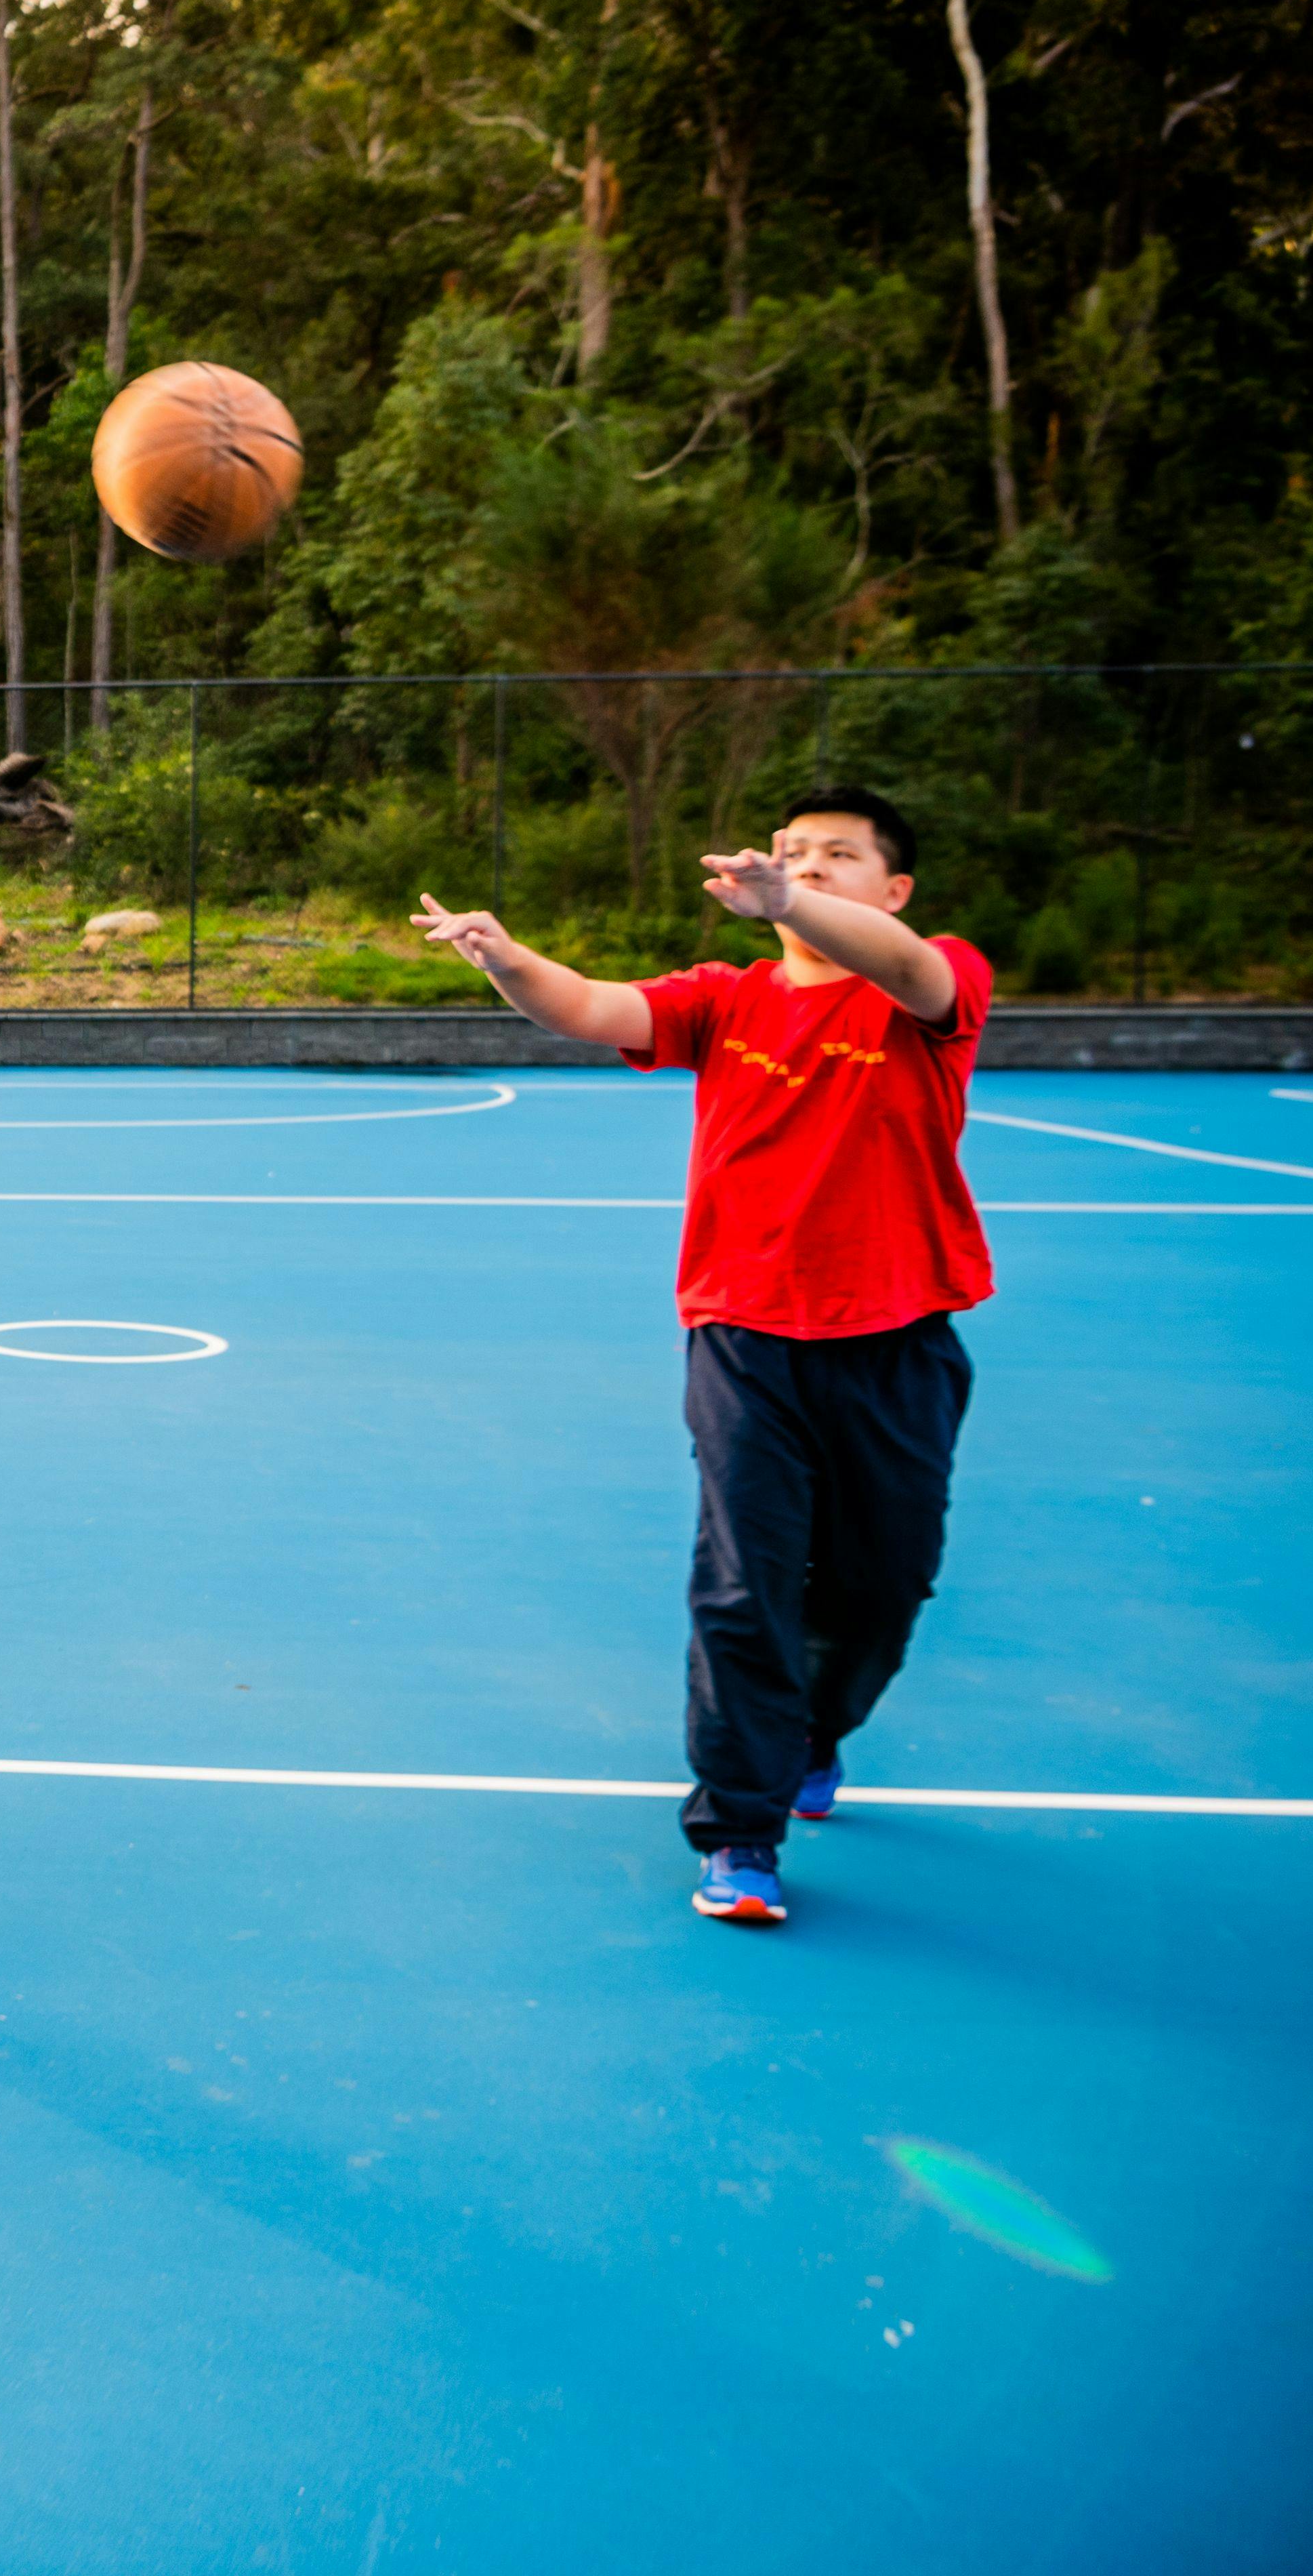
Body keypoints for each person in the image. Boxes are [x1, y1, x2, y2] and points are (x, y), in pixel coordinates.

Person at [416, 785, 993, 1928]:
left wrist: (795, 902)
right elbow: (586, 1006)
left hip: (897, 1339)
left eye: (838, 858)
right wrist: (503, 957)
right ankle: (740, 1830)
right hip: (745, 1334)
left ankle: (816, 1736)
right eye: (788, 856)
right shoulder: (724, 1001)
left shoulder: (934, 981)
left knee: (883, 1588)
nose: (807, 870)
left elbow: (908, 969)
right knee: (746, 1585)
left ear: (897, 889)